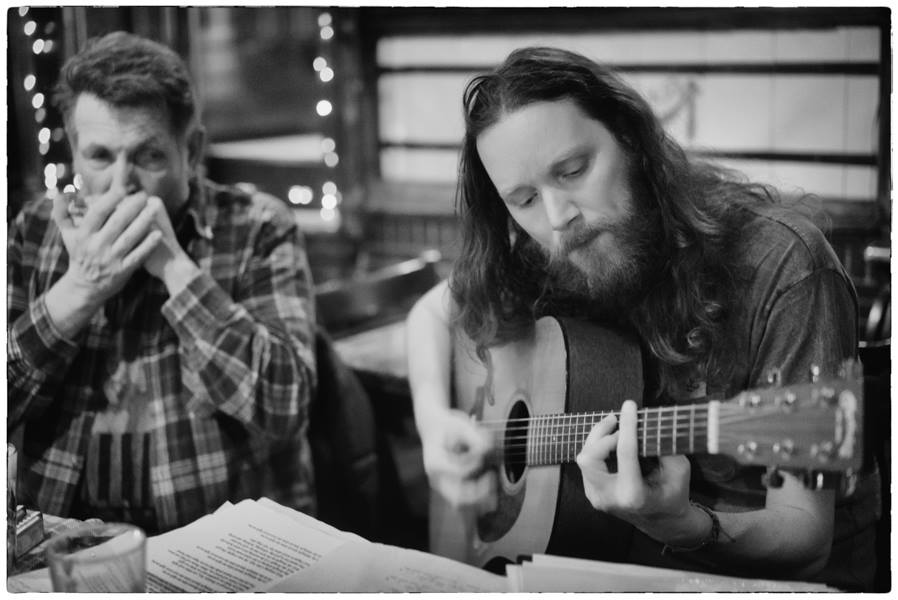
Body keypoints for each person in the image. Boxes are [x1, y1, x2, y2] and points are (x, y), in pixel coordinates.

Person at [407, 46, 879, 590]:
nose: (560, 218)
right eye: (524, 199)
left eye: (574, 170)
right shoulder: (545, 255)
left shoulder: (782, 262)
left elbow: (806, 543)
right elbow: (430, 313)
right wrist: (430, 423)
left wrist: (679, 523)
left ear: (629, 139)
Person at [8, 32, 317, 534]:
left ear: (190, 150)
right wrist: (80, 291)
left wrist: (175, 268)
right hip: (62, 542)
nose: (122, 185)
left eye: (147, 156)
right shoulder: (34, 230)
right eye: (100, 157)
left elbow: (286, 406)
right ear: (73, 150)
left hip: (221, 544)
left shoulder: (258, 226)